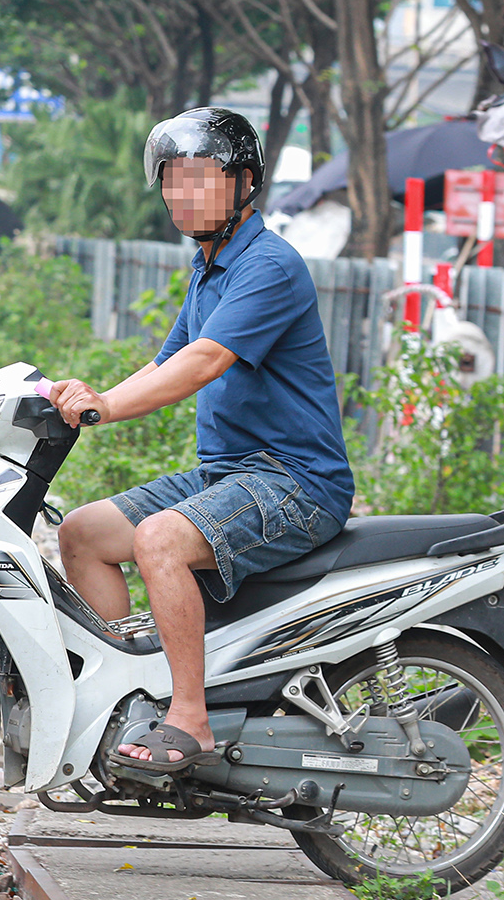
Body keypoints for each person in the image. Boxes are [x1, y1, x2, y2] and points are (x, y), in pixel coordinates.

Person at [47, 108, 355, 774]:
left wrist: (105, 410)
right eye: (171, 181)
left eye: (199, 178)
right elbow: (165, 360)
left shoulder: (268, 265)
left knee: (158, 537)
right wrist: (87, 399)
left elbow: (205, 362)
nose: (181, 195)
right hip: (230, 473)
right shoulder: (208, 266)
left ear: (245, 181)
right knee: (82, 533)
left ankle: (189, 717)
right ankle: (132, 693)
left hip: (294, 480)